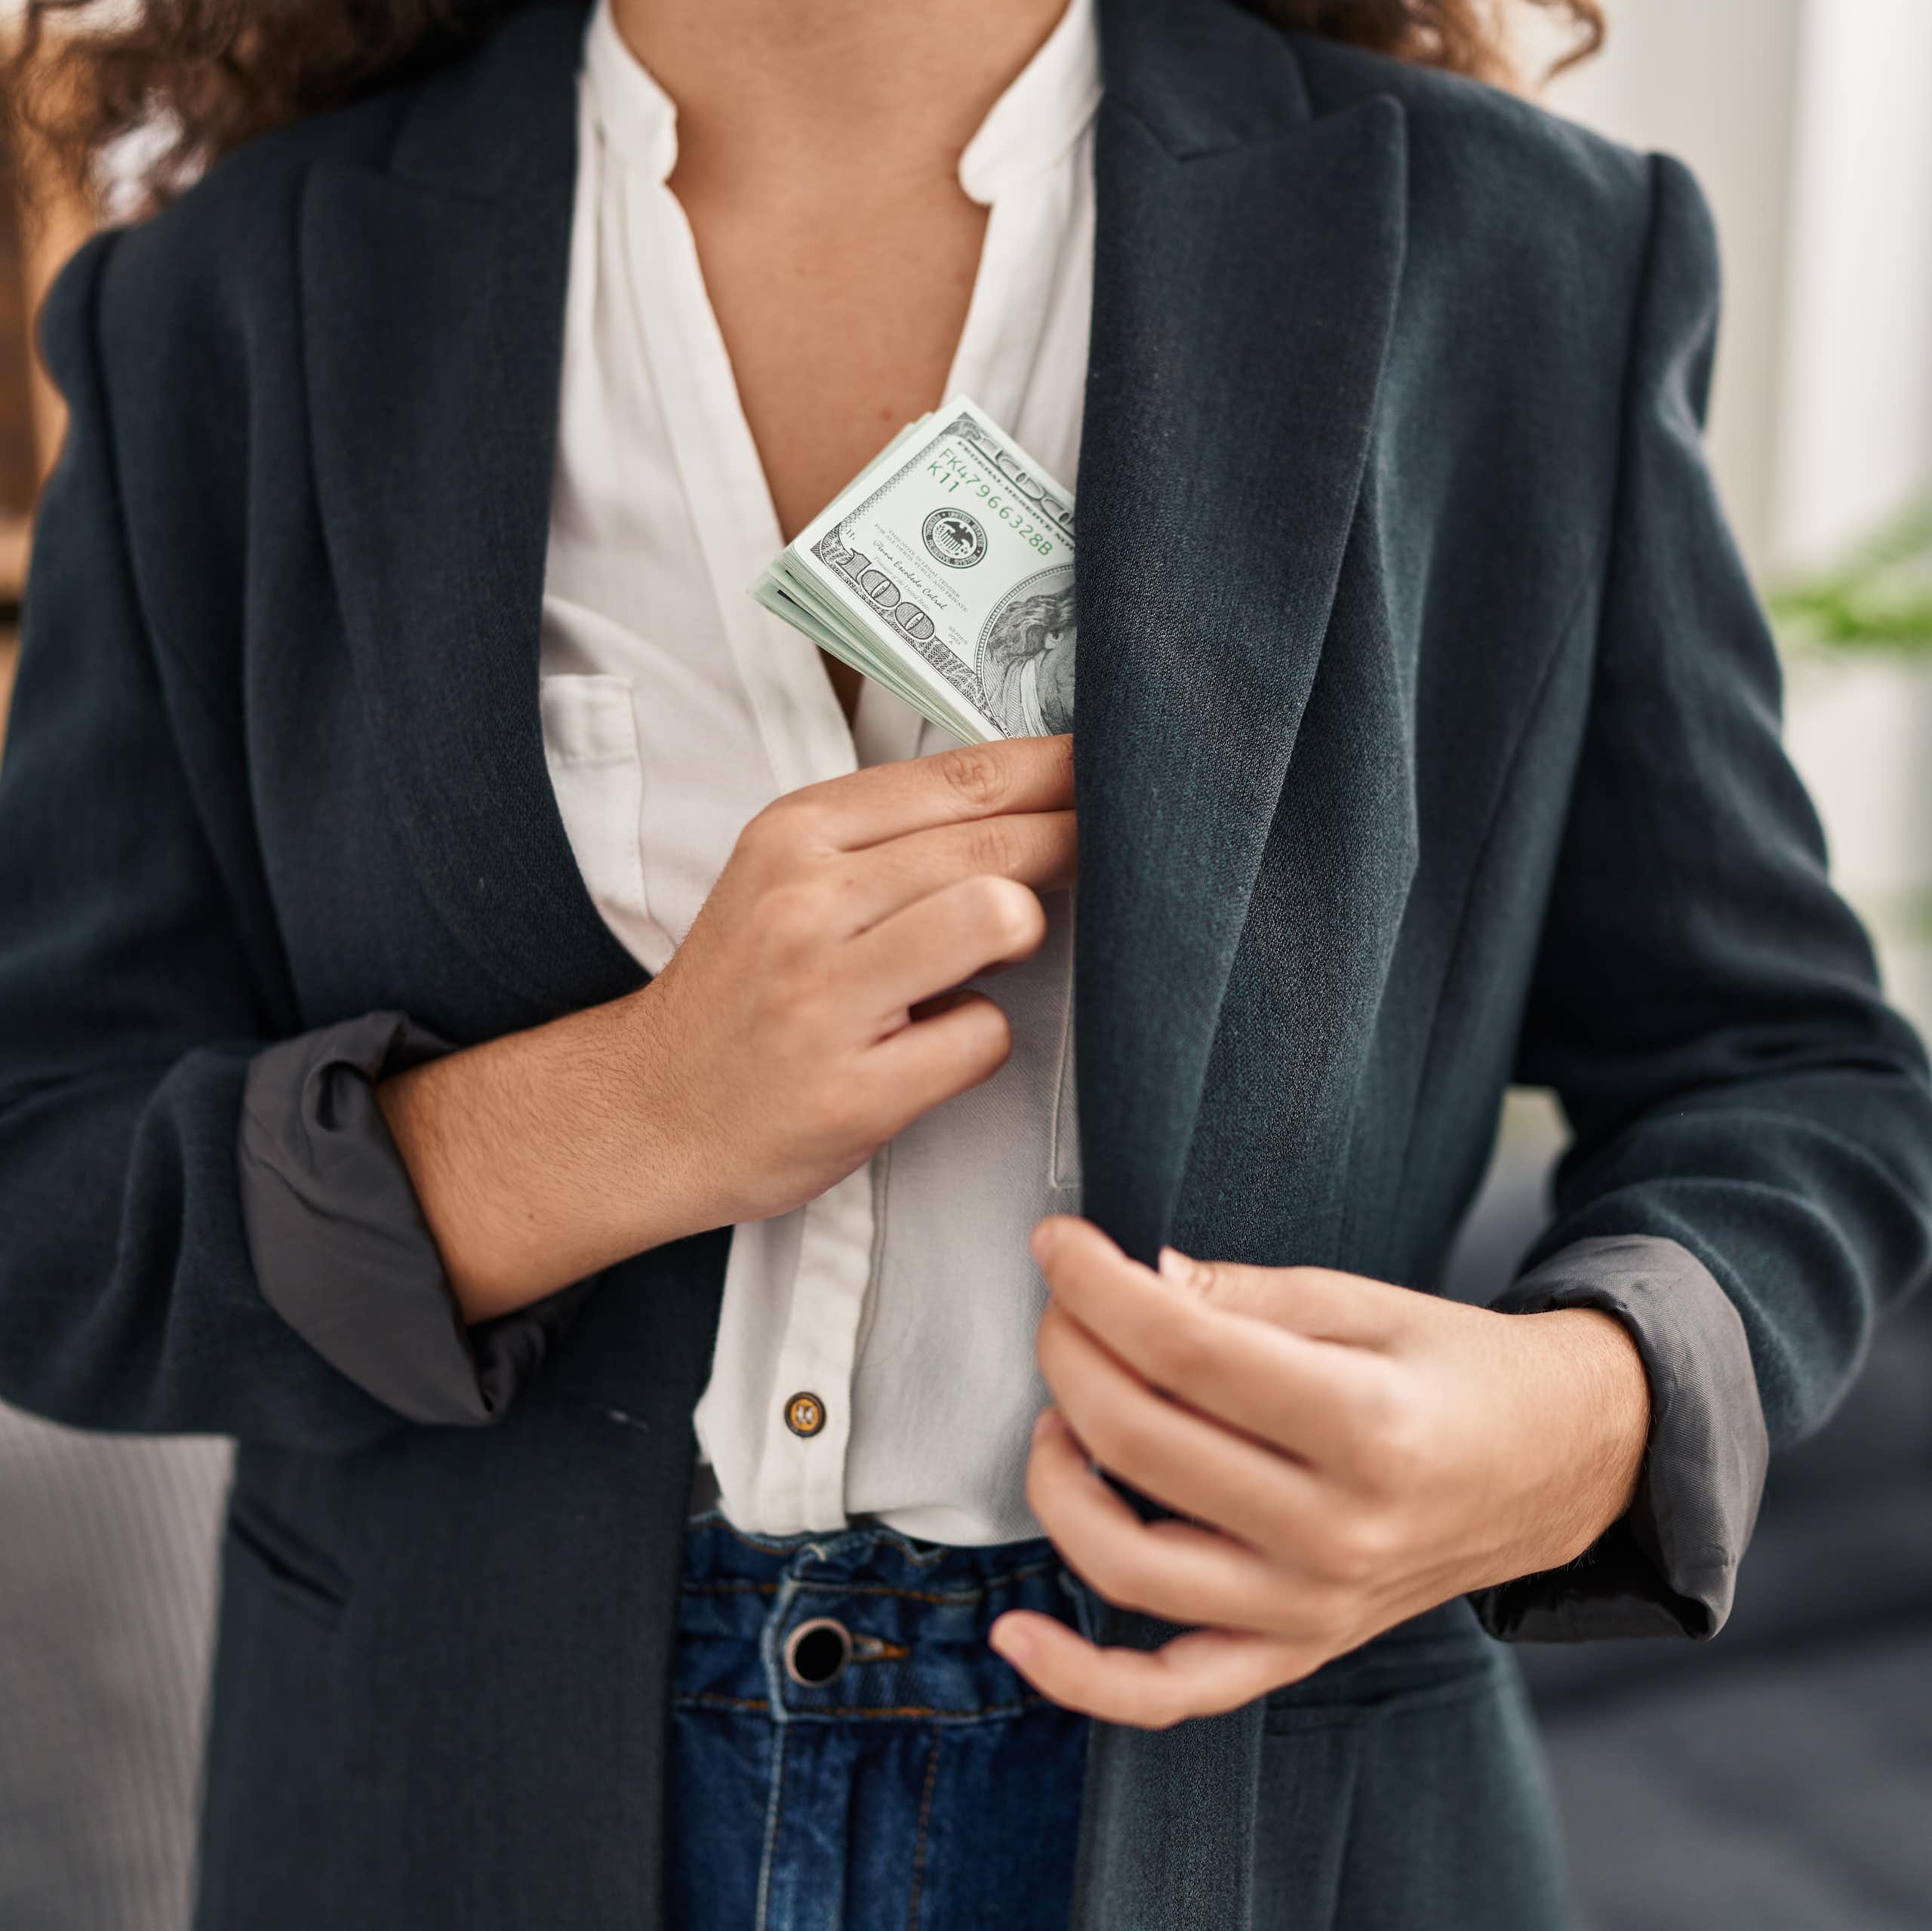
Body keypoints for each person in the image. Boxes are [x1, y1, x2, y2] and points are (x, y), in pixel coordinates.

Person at [2, 0, 1928, 1926]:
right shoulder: (220, 315)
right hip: (440, 1810)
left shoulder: (1520, 255)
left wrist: (1579, 1421)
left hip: (1263, 1818)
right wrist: (619, 1116)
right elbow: (45, 1187)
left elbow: (1788, 1071)